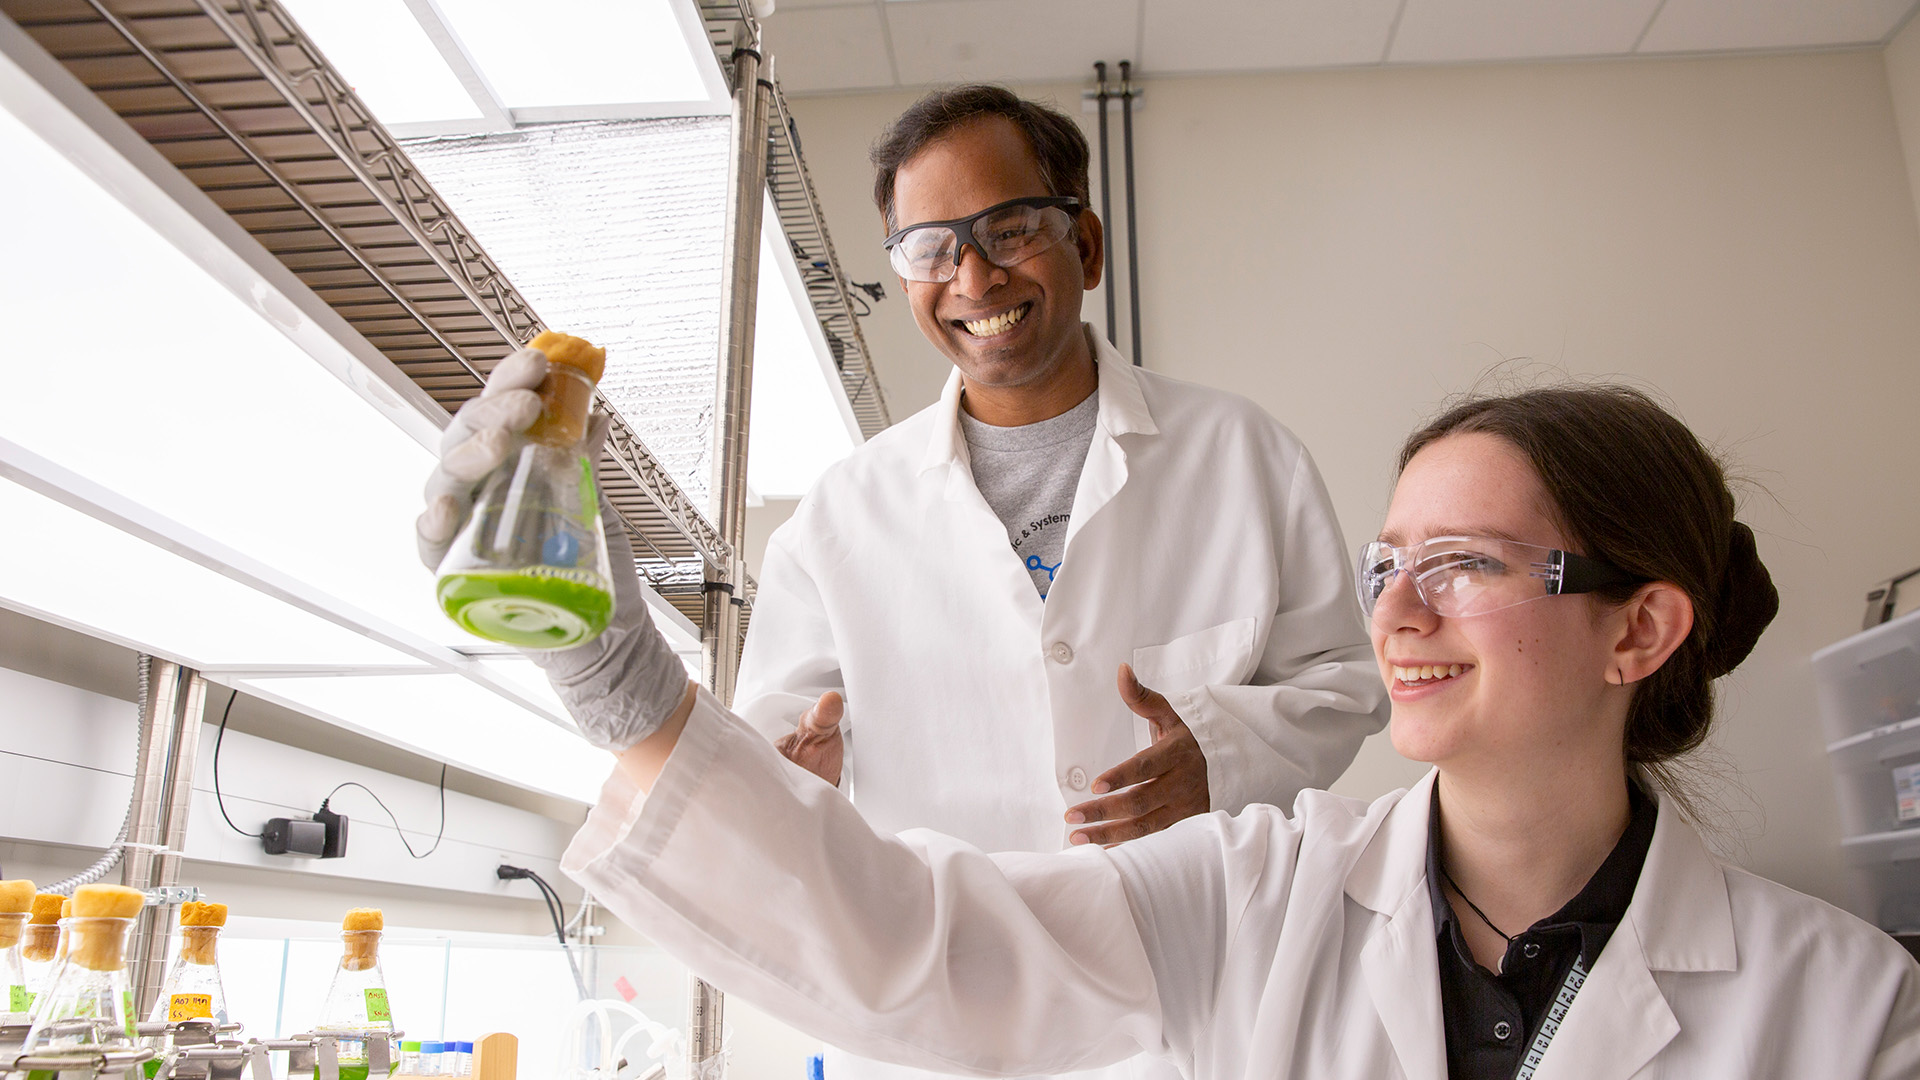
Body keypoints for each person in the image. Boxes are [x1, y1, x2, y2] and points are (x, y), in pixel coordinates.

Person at [421, 382, 1919, 1078]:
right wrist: (619, 681)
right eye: (1388, 564)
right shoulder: (1259, 892)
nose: (1397, 614)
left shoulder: (1847, 1012)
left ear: (1638, 631)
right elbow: (925, 946)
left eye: (1460, 564)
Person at [739, 84, 1386, 859]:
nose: (973, 280)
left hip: (1194, 951)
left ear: (1085, 246)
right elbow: (767, 752)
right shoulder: (839, 519)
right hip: (958, 957)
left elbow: (1341, 684)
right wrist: (794, 781)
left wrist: (1224, 755)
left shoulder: (1245, 456)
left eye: (1008, 232)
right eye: (931, 248)